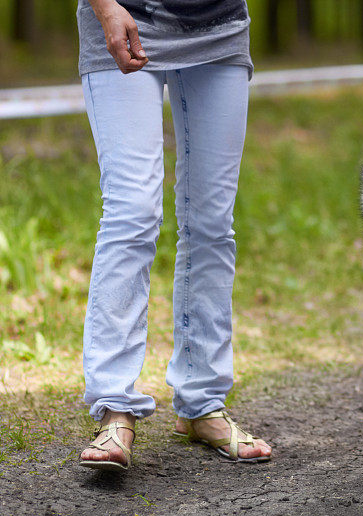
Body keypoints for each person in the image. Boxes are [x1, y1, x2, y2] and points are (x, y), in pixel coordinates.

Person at [77, 0, 270, 471]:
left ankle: (202, 401)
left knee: (211, 221)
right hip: (124, 13)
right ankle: (114, 406)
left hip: (218, 25)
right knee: (132, 212)